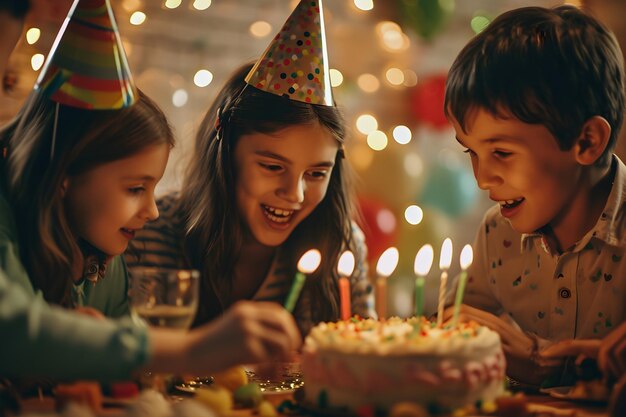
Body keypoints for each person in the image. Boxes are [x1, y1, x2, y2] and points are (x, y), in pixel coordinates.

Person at [0, 0, 301, 381]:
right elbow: (17, 334)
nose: (152, 210)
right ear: (64, 174)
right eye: (135, 188)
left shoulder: (105, 266)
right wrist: (195, 349)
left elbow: (124, 373)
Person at [441, 5, 626, 386]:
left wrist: (544, 363)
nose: (482, 179)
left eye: (502, 152)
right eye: (471, 152)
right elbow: (461, 327)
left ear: (586, 141)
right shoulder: (497, 235)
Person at [127, 62, 375, 336]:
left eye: (316, 173)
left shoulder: (341, 246)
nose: (295, 193)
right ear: (226, 155)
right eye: (272, 167)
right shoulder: (148, 232)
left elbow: (364, 358)